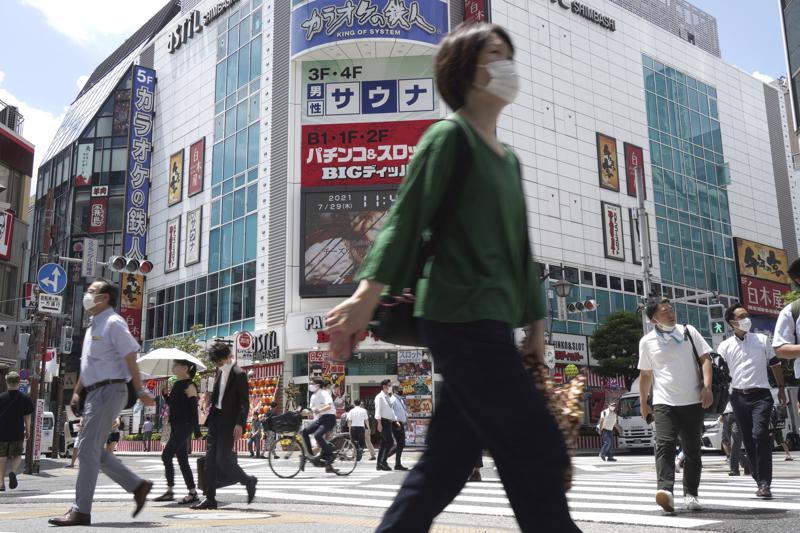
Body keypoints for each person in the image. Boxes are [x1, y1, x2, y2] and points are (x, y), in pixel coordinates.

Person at [324, 23, 578, 532]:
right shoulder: (447, 138)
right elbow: (404, 219)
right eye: (493, 53)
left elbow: (521, 252)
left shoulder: (510, 162)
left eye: (509, 53)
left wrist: (535, 331)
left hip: (489, 324)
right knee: (537, 448)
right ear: (463, 71)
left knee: (446, 462)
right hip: (457, 317)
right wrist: (362, 299)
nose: (506, 64)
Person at [49, 280, 156, 527]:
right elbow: (88, 365)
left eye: (92, 292)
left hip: (111, 389)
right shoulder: (93, 326)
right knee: (92, 450)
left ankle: (81, 510)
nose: (87, 295)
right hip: (95, 392)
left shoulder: (113, 322)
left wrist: (139, 389)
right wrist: (77, 392)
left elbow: (130, 354)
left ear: (105, 297)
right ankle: (137, 486)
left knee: (86, 449)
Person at [638, 299, 713, 513]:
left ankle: (691, 494)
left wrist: (707, 387)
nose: (671, 314)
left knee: (692, 450)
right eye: (664, 311)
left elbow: (705, 359)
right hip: (664, 402)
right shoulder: (647, 341)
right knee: (664, 444)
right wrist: (644, 402)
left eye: (671, 309)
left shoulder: (688, 331)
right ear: (653, 318)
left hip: (693, 400)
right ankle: (666, 491)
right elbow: (645, 374)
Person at [718, 302, 786, 498]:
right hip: (738, 397)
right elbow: (720, 374)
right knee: (748, 440)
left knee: (759, 434)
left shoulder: (762, 340)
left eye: (747, 315)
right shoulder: (724, 346)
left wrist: (781, 388)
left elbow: (775, 364)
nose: (746, 319)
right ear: (732, 322)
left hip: (761, 396)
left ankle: (765, 482)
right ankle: (759, 480)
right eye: (741, 316)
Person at [192, 342, 257, 510]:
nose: (217, 365)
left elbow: (244, 403)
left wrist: (239, 424)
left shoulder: (239, 373)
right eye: (215, 362)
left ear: (228, 357)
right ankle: (210, 498)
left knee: (222, 459)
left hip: (229, 423)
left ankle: (248, 480)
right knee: (210, 461)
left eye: (219, 361)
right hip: (215, 420)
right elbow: (219, 395)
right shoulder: (219, 370)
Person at [153, 360, 201, 504]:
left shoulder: (190, 385)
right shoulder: (176, 384)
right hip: (176, 426)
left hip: (185, 426)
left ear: (185, 368)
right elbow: (174, 405)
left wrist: (196, 430)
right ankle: (192, 493)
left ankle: (170, 491)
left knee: (166, 455)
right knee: (182, 461)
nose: (173, 367)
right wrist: (165, 395)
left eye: (176, 365)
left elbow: (194, 410)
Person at [0, 372, 33, 492]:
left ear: (7, 382)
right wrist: (28, 430)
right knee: (17, 455)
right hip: (17, 432)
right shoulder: (25, 399)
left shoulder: (1, 397)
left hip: (1, 432)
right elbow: (27, 417)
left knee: (1, 457)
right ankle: (13, 472)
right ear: (19, 383)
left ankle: (1, 483)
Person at [301, 378, 338, 474]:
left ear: (317, 385)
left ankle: (330, 455)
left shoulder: (324, 393)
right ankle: (310, 455)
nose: (310, 385)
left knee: (318, 436)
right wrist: (303, 412)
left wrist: (319, 410)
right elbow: (312, 409)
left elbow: (329, 406)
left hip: (329, 418)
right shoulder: (313, 396)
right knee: (304, 432)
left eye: (312, 383)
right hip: (320, 419)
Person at [719, 402, 751, 477]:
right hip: (726, 416)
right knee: (728, 444)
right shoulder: (725, 390)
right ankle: (747, 465)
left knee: (735, 442)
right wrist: (721, 414)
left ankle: (734, 469)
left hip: (737, 415)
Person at [374, 380, 397, 472]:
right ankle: (383, 462)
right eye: (389, 385)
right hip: (383, 421)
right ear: (384, 386)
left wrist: (394, 420)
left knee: (383, 444)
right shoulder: (379, 397)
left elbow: (390, 410)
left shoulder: (388, 396)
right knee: (390, 442)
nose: (390, 387)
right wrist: (379, 423)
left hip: (388, 421)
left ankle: (379, 464)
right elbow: (378, 410)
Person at [387, 386, 409, 471]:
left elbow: (403, 412)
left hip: (400, 423)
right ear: (394, 391)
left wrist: (408, 422)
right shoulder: (392, 399)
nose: (401, 390)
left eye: (401, 389)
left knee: (401, 444)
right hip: (396, 423)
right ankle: (386, 458)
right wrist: (396, 421)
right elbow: (391, 412)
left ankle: (396, 463)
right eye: (399, 389)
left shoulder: (400, 400)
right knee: (400, 444)